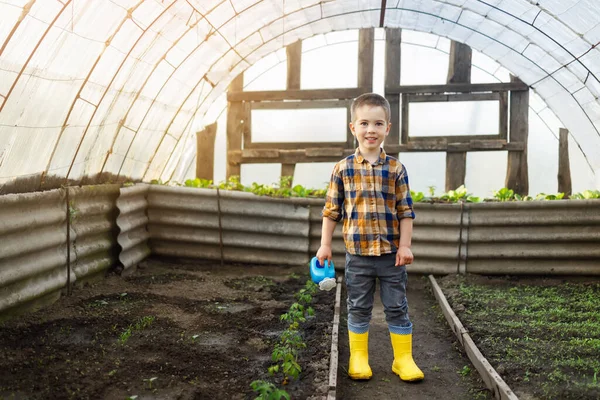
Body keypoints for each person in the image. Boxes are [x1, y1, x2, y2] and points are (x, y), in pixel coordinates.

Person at [316, 93, 424, 382]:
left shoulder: (396, 169)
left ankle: (403, 359)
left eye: (378, 123)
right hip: (358, 257)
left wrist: (405, 246)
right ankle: (358, 357)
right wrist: (325, 244)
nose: (371, 130)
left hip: (391, 257)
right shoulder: (343, 168)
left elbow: (406, 212)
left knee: (396, 306)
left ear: (388, 128)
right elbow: (331, 211)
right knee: (359, 306)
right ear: (353, 128)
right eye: (364, 123)